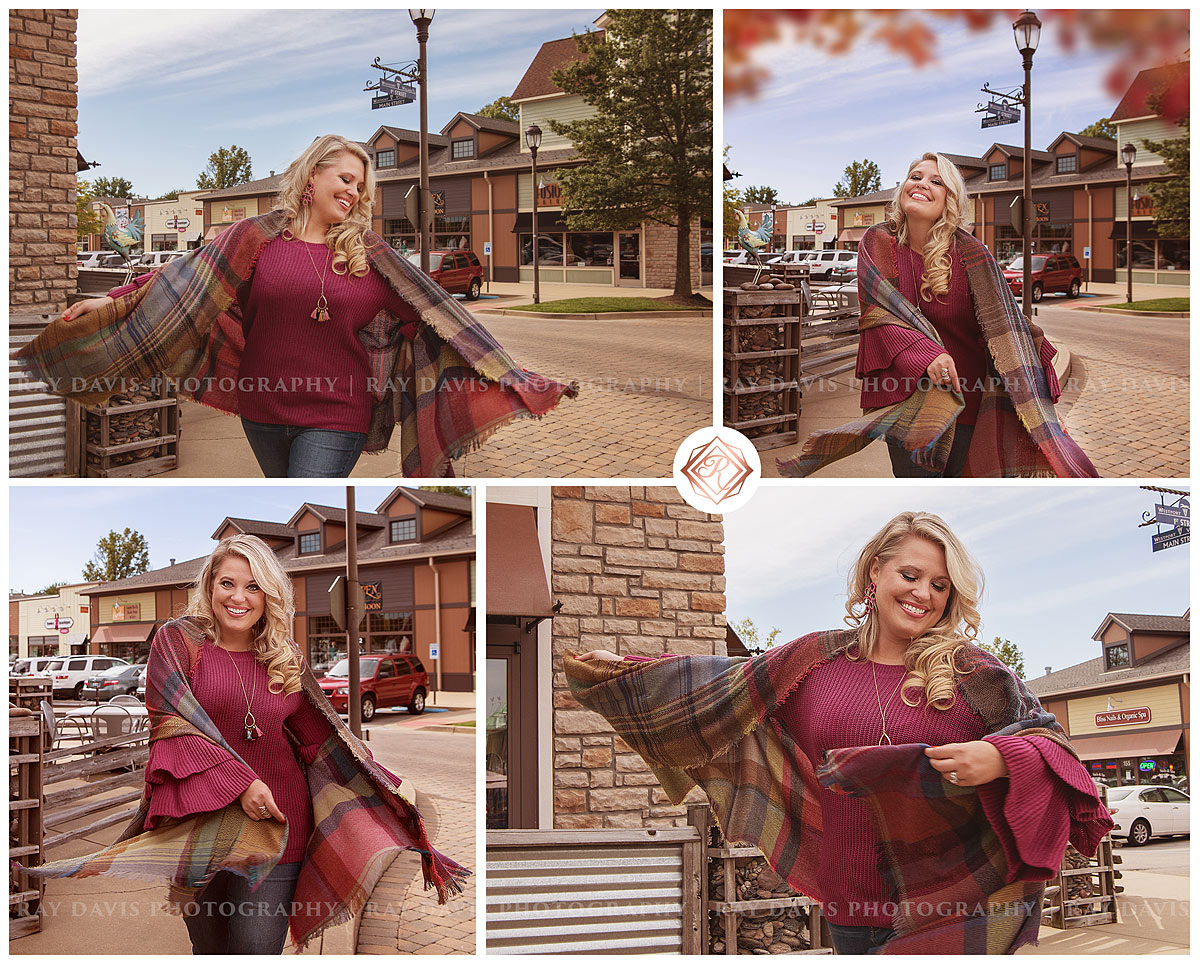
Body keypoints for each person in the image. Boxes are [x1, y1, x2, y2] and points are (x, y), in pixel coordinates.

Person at [567, 511, 1112, 955]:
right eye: (911, 575)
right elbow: (720, 687)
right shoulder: (815, 660)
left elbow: (1055, 747)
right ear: (876, 572)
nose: (924, 593)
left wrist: (1000, 757)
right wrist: (627, 669)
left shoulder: (973, 670)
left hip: (962, 897)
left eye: (940, 586)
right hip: (852, 903)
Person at [17, 134, 575, 478]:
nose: (355, 194)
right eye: (346, 179)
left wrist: (514, 376)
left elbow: (441, 321)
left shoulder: (372, 257)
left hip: (339, 412)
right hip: (262, 410)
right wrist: (106, 301)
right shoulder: (250, 240)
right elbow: (176, 283)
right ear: (313, 177)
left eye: (362, 186)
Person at [22, 534, 468, 954]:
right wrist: (243, 784)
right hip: (198, 822)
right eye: (228, 584)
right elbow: (171, 724)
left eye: (253, 586)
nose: (239, 597)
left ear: (268, 595)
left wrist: (380, 787)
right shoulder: (178, 642)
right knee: (209, 946)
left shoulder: (285, 656)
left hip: (278, 826)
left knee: (255, 950)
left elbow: (321, 741)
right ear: (210, 585)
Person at [778, 152, 1096, 479]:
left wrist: (1035, 362)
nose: (922, 184)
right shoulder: (877, 241)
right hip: (907, 400)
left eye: (936, 181)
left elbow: (1005, 317)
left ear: (950, 200)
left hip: (968, 403)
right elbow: (879, 314)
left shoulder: (971, 252)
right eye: (915, 176)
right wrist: (930, 355)